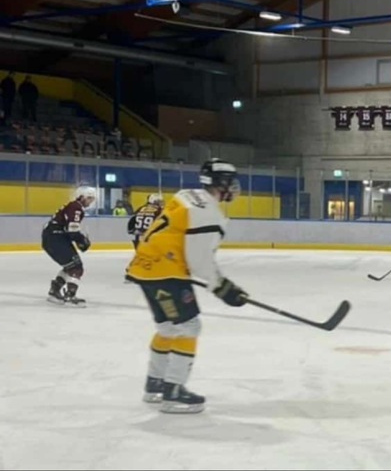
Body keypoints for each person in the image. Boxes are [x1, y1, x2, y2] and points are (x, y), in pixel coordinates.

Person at [126, 159, 249, 414]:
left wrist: (219, 284)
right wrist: (223, 287)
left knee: (168, 327)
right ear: (219, 183)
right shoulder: (209, 212)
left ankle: (155, 384)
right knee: (189, 326)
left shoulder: (187, 195)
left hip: (144, 266)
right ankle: (173, 392)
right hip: (166, 273)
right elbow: (199, 260)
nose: (234, 187)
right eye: (230, 181)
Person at [42, 186, 96, 307]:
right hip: (56, 238)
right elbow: (73, 231)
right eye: (89, 198)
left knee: (70, 266)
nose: (90, 202)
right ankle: (70, 296)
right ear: (82, 197)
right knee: (77, 267)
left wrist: (79, 239)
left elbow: (69, 230)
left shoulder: (73, 206)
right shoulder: (76, 207)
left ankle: (54, 292)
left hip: (53, 237)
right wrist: (82, 240)